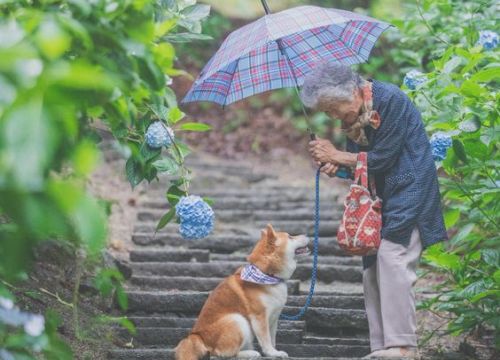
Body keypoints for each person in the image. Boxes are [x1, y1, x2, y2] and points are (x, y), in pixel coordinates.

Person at [300, 62, 448, 359]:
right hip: (377, 198)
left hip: (410, 189)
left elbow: (382, 159)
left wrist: (337, 155)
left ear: (353, 93)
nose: (332, 117)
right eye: (326, 112)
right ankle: (382, 346)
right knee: (371, 269)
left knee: (392, 257)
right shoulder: (355, 121)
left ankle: (404, 345)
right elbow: (357, 165)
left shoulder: (390, 99)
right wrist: (335, 166)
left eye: (332, 109)